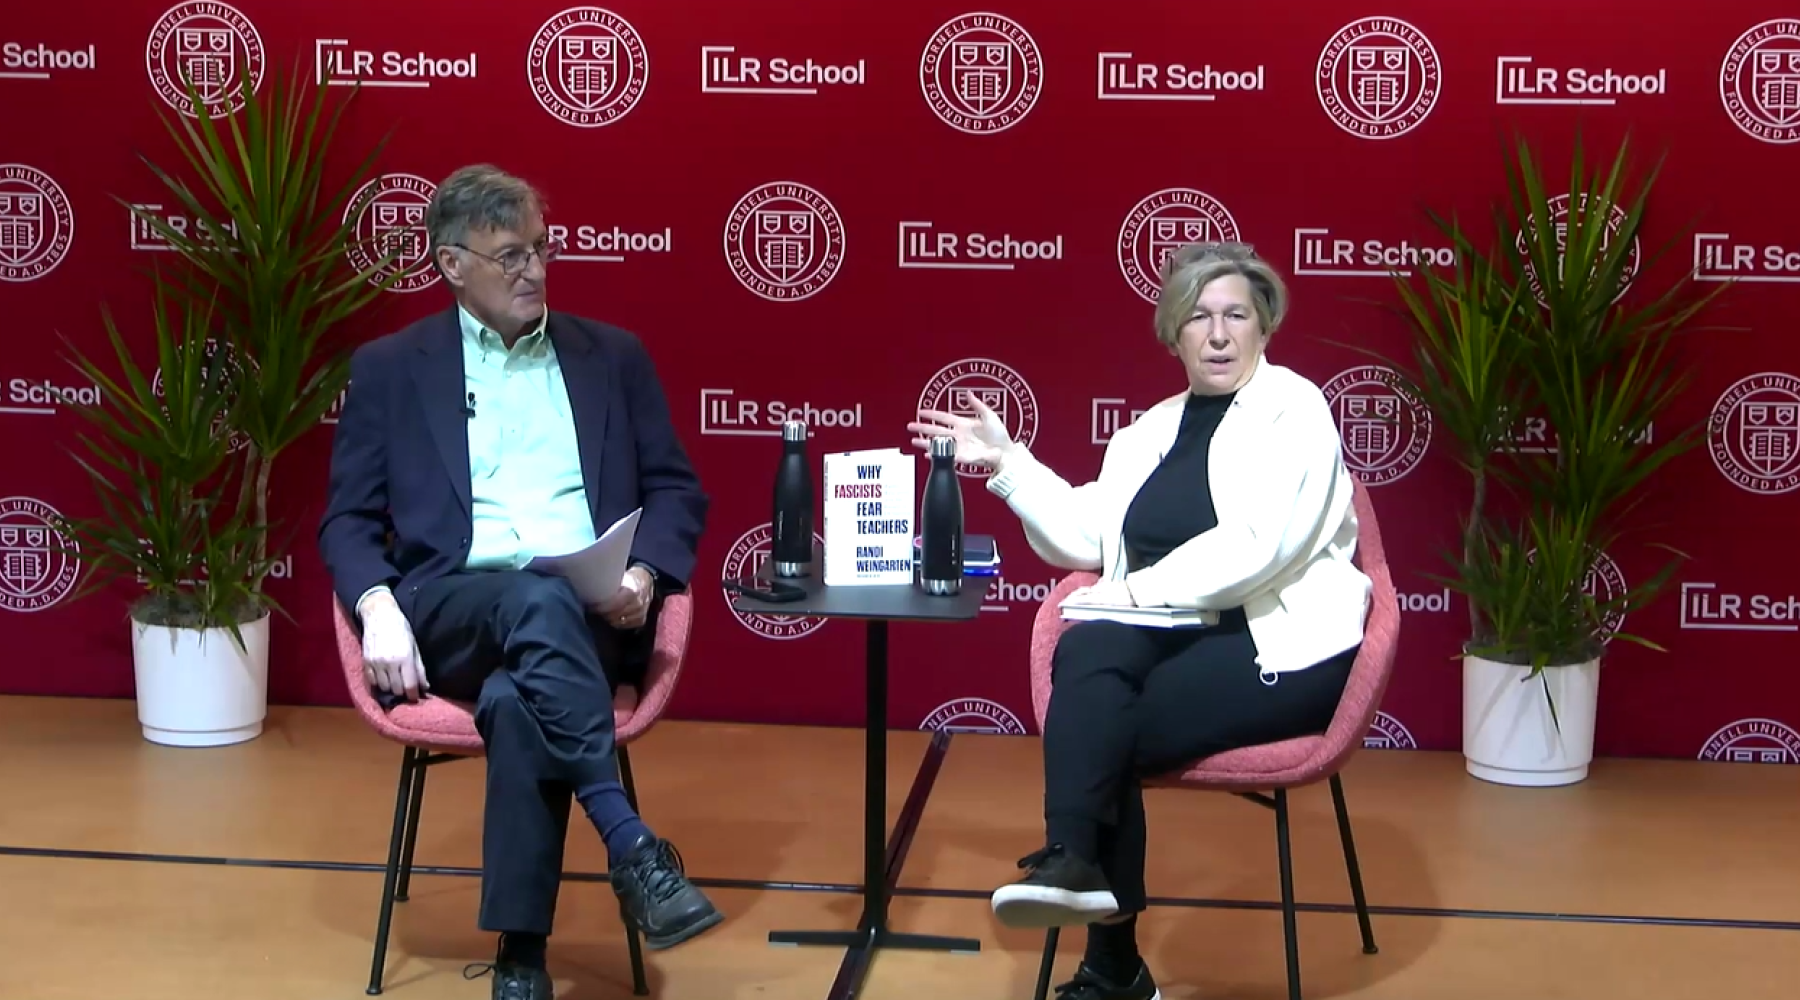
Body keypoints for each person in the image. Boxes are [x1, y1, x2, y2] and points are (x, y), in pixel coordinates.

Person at [906, 241, 1370, 1000]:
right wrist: (1007, 463)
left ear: (1264, 327)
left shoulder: (1296, 409)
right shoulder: (1150, 431)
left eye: (1236, 316)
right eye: (1198, 317)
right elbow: (1089, 535)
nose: (1217, 335)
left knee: (1101, 728)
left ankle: (1109, 958)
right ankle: (1074, 862)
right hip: (1178, 636)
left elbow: (1258, 547)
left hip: (1280, 643)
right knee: (1089, 656)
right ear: (1173, 333)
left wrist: (1134, 593)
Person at [319, 164, 722, 1000]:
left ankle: (521, 956)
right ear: (452, 265)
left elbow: (675, 490)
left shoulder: (612, 357)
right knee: (531, 598)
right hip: (452, 609)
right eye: (509, 256)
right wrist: (377, 607)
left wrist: (645, 574)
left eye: (541, 249)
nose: (534, 270)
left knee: (516, 698)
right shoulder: (392, 368)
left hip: (592, 612)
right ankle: (629, 843)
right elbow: (347, 521)